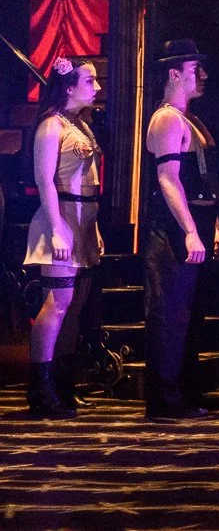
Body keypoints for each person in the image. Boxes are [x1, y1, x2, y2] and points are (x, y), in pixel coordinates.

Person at [143, 39, 219, 420]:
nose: (204, 75)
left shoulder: (188, 118)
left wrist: (214, 227)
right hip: (175, 227)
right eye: (196, 69)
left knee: (190, 313)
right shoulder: (166, 119)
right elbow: (168, 178)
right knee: (170, 312)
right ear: (174, 73)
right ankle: (165, 396)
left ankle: (187, 388)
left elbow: (205, 179)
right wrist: (190, 230)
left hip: (198, 222)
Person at [23, 57, 103, 418]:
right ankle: (40, 387)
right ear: (68, 88)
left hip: (84, 220)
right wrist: (57, 227)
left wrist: (95, 229)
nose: (97, 87)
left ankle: (61, 382)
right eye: (90, 81)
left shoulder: (82, 126)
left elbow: (91, 181)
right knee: (57, 303)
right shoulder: (51, 126)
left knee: (74, 305)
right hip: (62, 217)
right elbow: (44, 180)